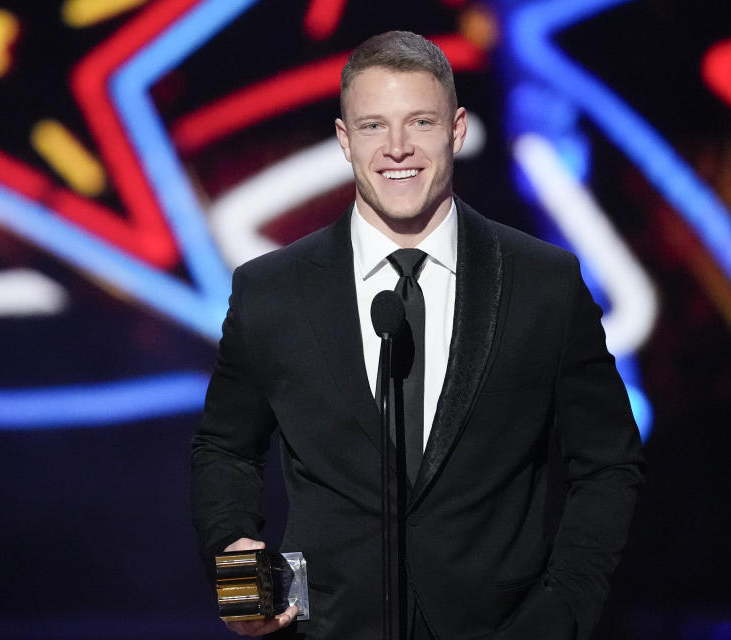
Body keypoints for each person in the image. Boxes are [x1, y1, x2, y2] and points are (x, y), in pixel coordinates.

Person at [191, 30, 645, 640]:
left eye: (420, 122)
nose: (397, 147)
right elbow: (224, 446)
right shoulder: (270, 291)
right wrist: (238, 563)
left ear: (456, 130)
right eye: (374, 126)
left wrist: (562, 610)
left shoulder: (544, 284)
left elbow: (609, 463)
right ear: (344, 140)